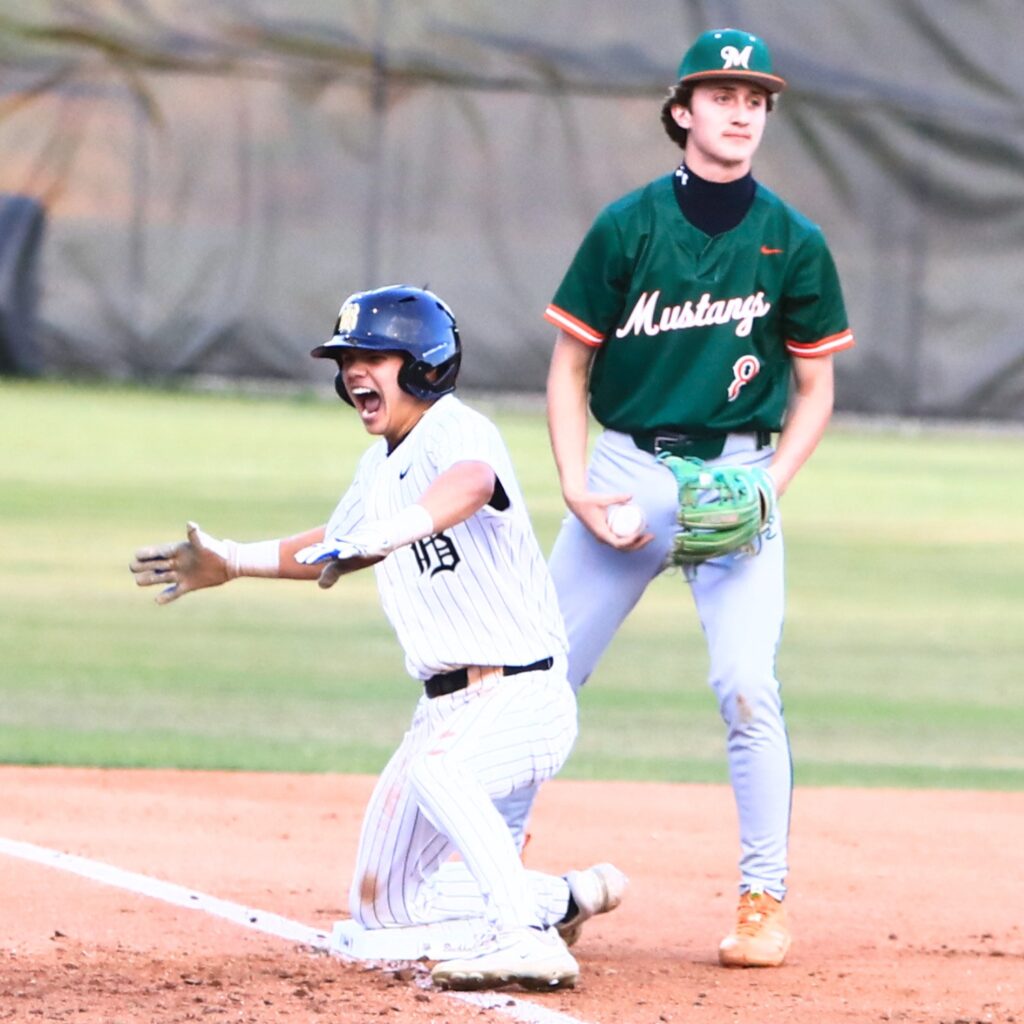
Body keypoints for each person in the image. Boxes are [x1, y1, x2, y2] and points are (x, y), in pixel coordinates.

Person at [129, 285, 626, 992]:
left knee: (440, 773)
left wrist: (393, 530)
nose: (353, 371)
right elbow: (337, 546)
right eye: (347, 359)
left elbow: (473, 483)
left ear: (424, 364)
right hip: (445, 708)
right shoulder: (377, 469)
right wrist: (232, 560)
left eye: (372, 355)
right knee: (378, 911)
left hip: (522, 691)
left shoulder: (458, 429)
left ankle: (527, 941)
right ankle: (561, 899)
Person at [540, 28, 856, 967]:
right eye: (722, 95)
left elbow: (816, 389)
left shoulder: (793, 241)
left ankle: (764, 898)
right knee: (538, 680)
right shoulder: (628, 226)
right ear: (682, 111)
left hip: (738, 475)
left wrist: (770, 488)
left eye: (755, 100)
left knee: (748, 686)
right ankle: (491, 876)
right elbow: (569, 369)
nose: (741, 112)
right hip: (629, 472)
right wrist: (577, 487)